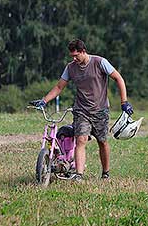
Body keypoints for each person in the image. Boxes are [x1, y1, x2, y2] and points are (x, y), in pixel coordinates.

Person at [31, 39, 133, 181]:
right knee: (81, 139)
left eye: (76, 55)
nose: (74, 59)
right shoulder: (70, 67)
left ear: (83, 51)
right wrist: (44, 100)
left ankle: (105, 173)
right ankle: (78, 174)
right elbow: (59, 87)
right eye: (72, 56)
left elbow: (119, 78)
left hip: (100, 110)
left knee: (102, 141)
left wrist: (124, 102)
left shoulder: (99, 62)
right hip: (81, 110)